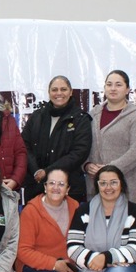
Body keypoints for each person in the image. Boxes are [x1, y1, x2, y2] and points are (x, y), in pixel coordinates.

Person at [17, 168, 79, 272]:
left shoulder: (75, 207)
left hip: (66, 270)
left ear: (68, 189)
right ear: (45, 187)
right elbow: (23, 250)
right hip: (34, 267)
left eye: (61, 184)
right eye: (51, 183)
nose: (56, 188)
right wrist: (54, 264)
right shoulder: (31, 211)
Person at [21, 75, 92, 203]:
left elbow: (79, 152)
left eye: (63, 89)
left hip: (69, 188)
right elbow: (24, 146)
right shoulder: (37, 116)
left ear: (71, 92)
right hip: (36, 186)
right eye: (54, 90)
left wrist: (47, 172)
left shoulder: (81, 119)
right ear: (49, 93)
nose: (59, 93)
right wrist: (36, 171)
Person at [84, 69, 136, 203]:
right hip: (95, 186)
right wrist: (86, 165)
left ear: (127, 90)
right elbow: (83, 144)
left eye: (118, 85)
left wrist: (109, 170)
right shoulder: (93, 114)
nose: (113, 88)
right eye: (109, 84)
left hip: (126, 184)